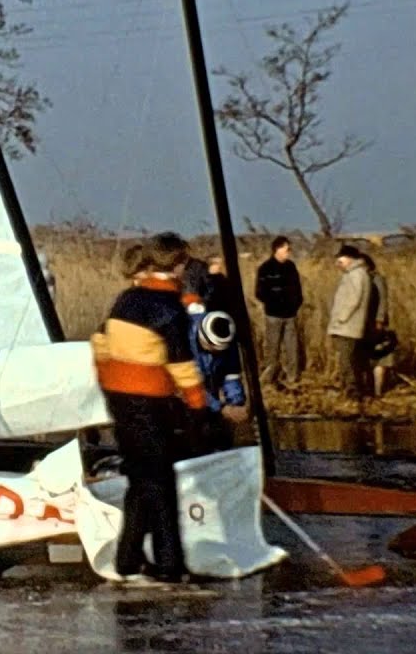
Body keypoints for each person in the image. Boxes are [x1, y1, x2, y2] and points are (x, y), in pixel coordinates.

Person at [91, 232, 205, 585]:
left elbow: (100, 343)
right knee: (160, 481)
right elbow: (181, 364)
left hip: (119, 400)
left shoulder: (127, 299)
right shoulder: (168, 309)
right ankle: (170, 564)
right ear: (180, 264)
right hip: (150, 402)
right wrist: (199, 404)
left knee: (140, 477)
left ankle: (128, 559)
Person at [179, 294, 251, 456]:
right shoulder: (183, 340)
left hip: (208, 388)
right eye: (212, 350)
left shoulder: (226, 336)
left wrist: (236, 403)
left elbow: (231, 373)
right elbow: (189, 385)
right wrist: (221, 408)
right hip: (183, 393)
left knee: (221, 435)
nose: (216, 354)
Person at [255, 236, 304, 389]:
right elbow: (259, 292)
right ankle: (270, 376)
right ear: (277, 249)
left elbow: (298, 289)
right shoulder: (265, 268)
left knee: (292, 347)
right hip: (273, 315)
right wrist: (273, 302)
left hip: (290, 315)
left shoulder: (291, 267)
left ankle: (292, 377)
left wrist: (296, 304)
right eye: (286, 249)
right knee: (273, 347)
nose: (288, 252)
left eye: (289, 249)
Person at [326, 244, 371, 401]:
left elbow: (354, 299)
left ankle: (352, 391)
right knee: (347, 359)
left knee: (348, 360)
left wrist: (342, 318)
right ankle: (347, 388)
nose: (339, 262)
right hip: (347, 325)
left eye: (341, 259)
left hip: (348, 325)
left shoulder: (357, 275)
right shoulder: (354, 274)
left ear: (350, 258)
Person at [360, 253, 396, 397]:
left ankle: (378, 390)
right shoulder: (358, 280)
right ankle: (369, 388)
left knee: (381, 356)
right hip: (363, 324)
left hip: (376, 323)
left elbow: (382, 300)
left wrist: (380, 319)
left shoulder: (377, 279)